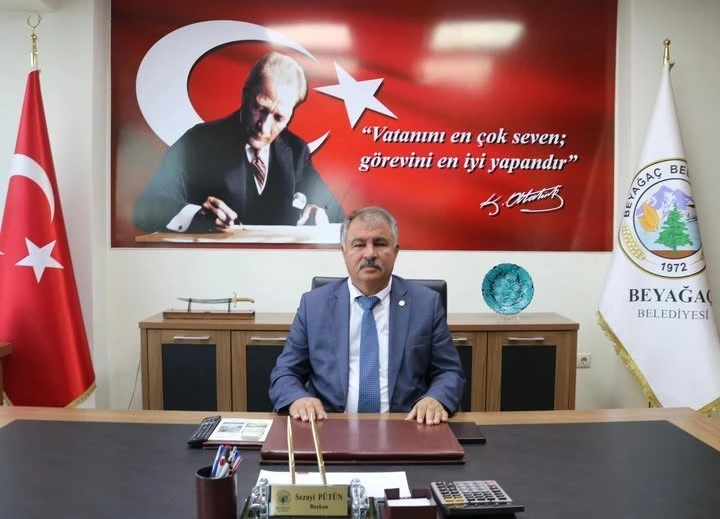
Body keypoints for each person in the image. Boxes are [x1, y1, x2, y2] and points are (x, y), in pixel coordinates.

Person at [269, 206, 465, 425]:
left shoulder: (426, 304)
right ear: (344, 252)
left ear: (395, 252)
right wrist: (298, 398)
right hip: (329, 426)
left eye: (380, 243)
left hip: (407, 425)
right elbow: (285, 372)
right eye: (359, 244)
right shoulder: (314, 305)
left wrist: (435, 399)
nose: (370, 254)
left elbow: (449, 372)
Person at [132, 51, 344, 233]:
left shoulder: (297, 150)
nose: (264, 127)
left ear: (291, 115)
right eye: (260, 109)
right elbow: (146, 209)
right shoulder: (197, 142)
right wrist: (196, 215)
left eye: (279, 117)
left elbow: (336, 214)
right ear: (245, 95)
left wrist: (320, 214)